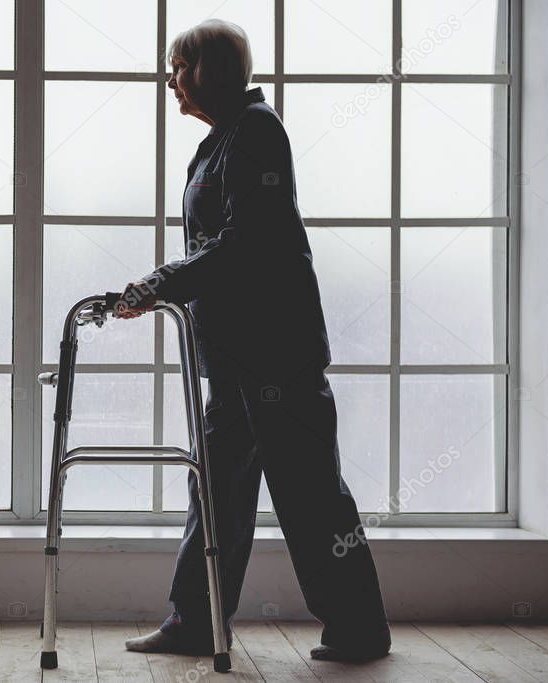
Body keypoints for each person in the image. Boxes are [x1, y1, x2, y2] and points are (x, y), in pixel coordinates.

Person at [117, 19, 391, 662]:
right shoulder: (224, 138)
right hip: (237, 362)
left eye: (178, 66)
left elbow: (245, 243)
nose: (170, 78)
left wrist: (160, 281)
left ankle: (359, 629)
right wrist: (168, 284)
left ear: (210, 69)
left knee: (312, 497)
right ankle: (195, 623)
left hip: (278, 359)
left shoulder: (257, 132)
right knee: (216, 494)